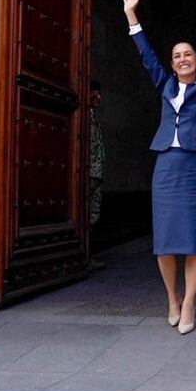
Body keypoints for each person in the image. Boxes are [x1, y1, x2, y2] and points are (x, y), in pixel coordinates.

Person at [122, 0, 196, 335]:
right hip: (166, 167)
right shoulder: (164, 85)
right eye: (177, 56)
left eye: (188, 54)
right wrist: (133, 17)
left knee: (193, 239)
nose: (183, 59)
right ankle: (172, 299)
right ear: (172, 64)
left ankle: (189, 301)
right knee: (164, 241)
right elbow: (146, 57)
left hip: (194, 170)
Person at [88, 80, 106, 271]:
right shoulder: (81, 117)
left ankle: (87, 256)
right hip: (88, 175)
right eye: (95, 93)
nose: (99, 98)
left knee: (92, 215)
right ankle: (83, 258)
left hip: (96, 174)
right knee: (85, 215)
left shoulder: (92, 117)